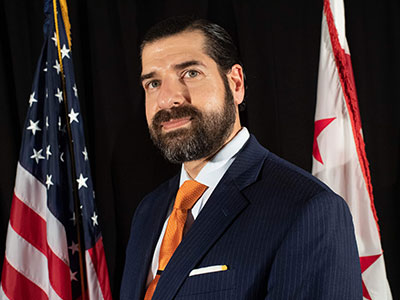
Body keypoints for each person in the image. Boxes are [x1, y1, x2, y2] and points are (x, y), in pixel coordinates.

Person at [120, 16, 362, 300]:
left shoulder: (307, 209)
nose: (168, 99)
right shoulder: (149, 211)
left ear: (235, 83)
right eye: (153, 83)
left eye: (190, 74)